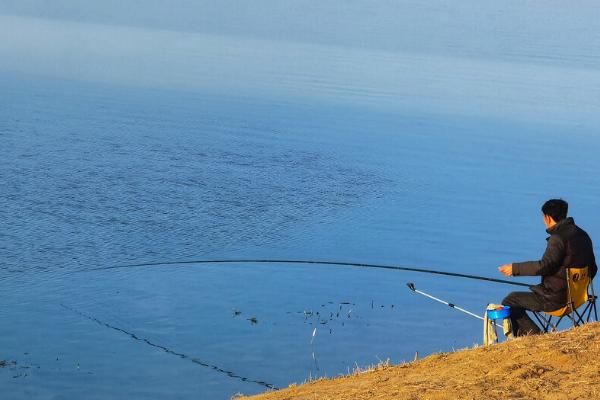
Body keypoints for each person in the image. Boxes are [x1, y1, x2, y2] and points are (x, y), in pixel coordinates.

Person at [498, 199, 597, 336]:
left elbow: (544, 265)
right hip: (578, 297)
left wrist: (514, 269)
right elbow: (593, 269)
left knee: (510, 300)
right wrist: (576, 286)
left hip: (557, 300)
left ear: (547, 217)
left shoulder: (558, 239)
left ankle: (535, 336)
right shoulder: (583, 235)